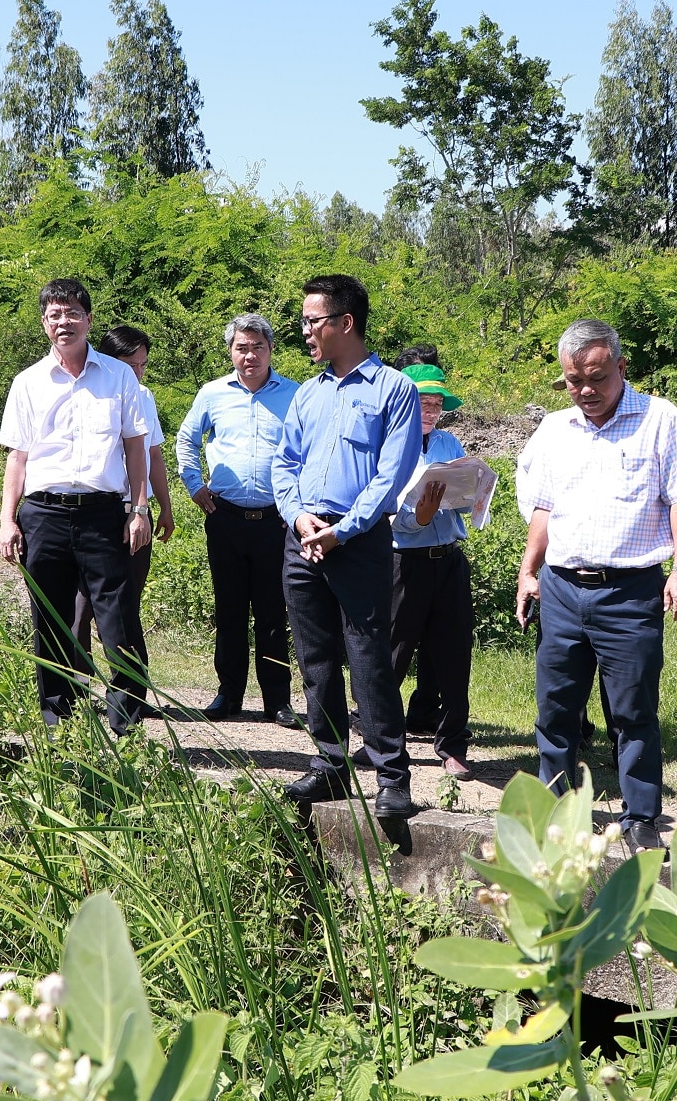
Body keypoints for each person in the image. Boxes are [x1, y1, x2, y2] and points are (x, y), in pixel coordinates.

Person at [515, 319, 677, 851]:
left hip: (630, 591)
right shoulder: (556, 429)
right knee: (555, 708)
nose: (585, 391)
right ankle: (555, 812)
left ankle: (640, 815)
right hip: (560, 588)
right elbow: (545, 507)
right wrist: (529, 571)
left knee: (632, 708)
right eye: (574, 381)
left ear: (621, 367)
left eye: (596, 378)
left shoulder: (659, 419)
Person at [271, 274, 423, 818]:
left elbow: (392, 474)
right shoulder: (307, 394)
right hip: (303, 538)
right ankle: (330, 764)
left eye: (313, 321)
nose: (306, 330)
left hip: (357, 541)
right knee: (315, 657)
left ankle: (391, 776)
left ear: (345, 323)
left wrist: (344, 529)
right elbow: (283, 463)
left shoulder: (393, 389)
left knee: (368, 657)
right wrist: (299, 517)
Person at [0, 278, 154, 734]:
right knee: (50, 616)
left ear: (88, 318)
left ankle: (125, 722)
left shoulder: (119, 376)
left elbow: (135, 446)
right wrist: (7, 519)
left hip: (104, 513)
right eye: (53, 315)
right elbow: (18, 456)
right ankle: (58, 720)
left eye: (71, 314)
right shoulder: (27, 382)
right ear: (44, 323)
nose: (63, 323)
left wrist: (139, 508)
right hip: (43, 513)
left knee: (118, 615)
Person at [176, 314, 299, 726]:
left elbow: (309, 453)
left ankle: (277, 702)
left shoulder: (294, 395)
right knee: (228, 610)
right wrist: (195, 485)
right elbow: (186, 440)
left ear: (271, 350)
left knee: (272, 612)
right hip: (225, 518)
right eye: (241, 348)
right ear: (230, 351)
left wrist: (297, 507)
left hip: (276, 522)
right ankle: (228, 695)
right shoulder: (212, 394)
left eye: (257, 347)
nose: (250, 355)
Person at [70, 325, 176, 682]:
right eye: (131, 365)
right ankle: (78, 684)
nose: (137, 373)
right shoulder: (87, 392)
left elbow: (153, 456)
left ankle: (131, 689)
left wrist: (164, 506)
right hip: (95, 511)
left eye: (143, 365)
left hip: (135, 513)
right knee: (80, 606)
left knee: (125, 606)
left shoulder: (144, 396)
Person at [391, 363, 477, 779]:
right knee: (390, 655)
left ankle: (453, 746)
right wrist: (418, 519)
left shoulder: (448, 441)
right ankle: (382, 744)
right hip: (403, 562)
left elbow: (463, 497)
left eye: (437, 403)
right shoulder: (387, 442)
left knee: (455, 656)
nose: (430, 411)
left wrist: (474, 494)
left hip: (448, 559)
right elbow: (383, 509)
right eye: (423, 402)